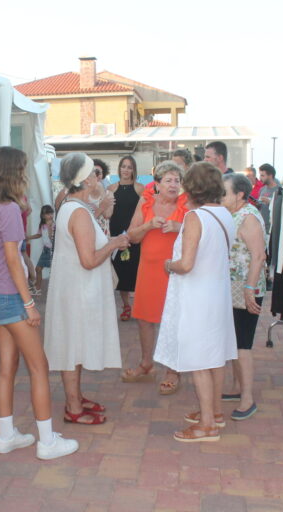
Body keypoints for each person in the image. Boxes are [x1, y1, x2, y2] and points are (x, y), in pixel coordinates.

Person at [0, 146, 78, 460]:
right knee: (39, 367)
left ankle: (6, 436)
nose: (26, 174)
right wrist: (29, 303)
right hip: (10, 297)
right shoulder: (9, 209)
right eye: (24, 169)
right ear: (14, 173)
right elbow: (14, 260)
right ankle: (47, 442)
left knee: (6, 368)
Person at [154, 162, 237, 442]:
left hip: (199, 296)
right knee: (215, 357)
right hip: (218, 293)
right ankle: (214, 413)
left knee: (200, 360)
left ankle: (207, 425)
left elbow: (186, 264)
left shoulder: (194, 217)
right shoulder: (225, 214)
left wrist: (169, 264)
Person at [44, 153, 130, 425]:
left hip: (76, 289)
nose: (98, 176)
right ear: (84, 179)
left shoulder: (74, 206)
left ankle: (76, 398)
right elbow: (89, 260)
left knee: (74, 344)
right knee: (71, 345)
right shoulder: (78, 212)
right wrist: (114, 243)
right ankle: (72, 407)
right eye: (93, 172)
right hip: (78, 292)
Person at [121, 161, 188, 395]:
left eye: (177, 180)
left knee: (174, 320)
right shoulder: (147, 200)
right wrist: (149, 225)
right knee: (144, 318)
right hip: (149, 268)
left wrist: (179, 226)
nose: (173, 185)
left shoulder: (186, 202)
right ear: (157, 184)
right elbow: (132, 235)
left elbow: (198, 232)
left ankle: (173, 370)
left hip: (175, 270)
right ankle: (147, 363)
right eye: (168, 180)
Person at [221, 173, 267, 421]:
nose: (221, 196)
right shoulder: (234, 214)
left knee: (243, 344)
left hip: (246, 289)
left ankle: (247, 397)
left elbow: (258, 255)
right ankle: (237, 388)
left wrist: (250, 289)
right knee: (236, 341)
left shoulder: (248, 217)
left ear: (239, 194)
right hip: (234, 287)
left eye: (225, 192)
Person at [107, 156, 145, 320]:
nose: (126, 170)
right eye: (123, 166)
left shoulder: (140, 188)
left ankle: (140, 306)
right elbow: (107, 214)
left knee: (137, 272)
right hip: (116, 237)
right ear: (119, 168)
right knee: (121, 274)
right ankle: (126, 306)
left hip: (134, 237)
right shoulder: (111, 188)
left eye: (129, 167)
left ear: (133, 170)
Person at [29, 204, 55, 292]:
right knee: (38, 269)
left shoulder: (54, 225)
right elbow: (39, 234)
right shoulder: (42, 225)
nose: (50, 215)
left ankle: (39, 288)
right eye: (48, 214)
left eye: (51, 213)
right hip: (45, 250)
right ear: (43, 215)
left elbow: (52, 237)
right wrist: (29, 237)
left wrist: (50, 227)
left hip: (52, 250)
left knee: (52, 270)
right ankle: (38, 288)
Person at [257, 163, 281, 233]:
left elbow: (281, 209)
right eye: (260, 175)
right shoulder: (262, 189)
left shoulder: (279, 191)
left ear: (270, 176)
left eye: (262, 175)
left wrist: (270, 202)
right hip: (262, 228)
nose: (260, 178)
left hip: (273, 230)